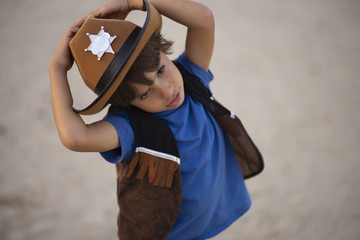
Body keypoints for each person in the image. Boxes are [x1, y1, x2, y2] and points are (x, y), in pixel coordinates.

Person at [49, 0, 263, 239]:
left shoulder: (191, 78)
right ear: (127, 103)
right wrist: (57, 68)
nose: (167, 90)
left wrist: (137, 2)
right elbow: (75, 137)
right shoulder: (130, 126)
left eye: (161, 70)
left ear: (164, 52)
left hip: (216, 215)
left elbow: (203, 19)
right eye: (145, 93)